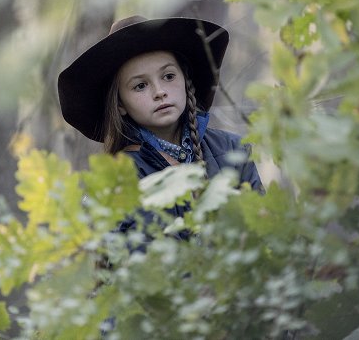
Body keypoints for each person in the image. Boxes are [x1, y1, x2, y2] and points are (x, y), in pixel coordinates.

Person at [57, 15, 263, 236]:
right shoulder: (113, 182)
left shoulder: (233, 151)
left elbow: (264, 232)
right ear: (120, 105)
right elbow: (104, 260)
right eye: (140, 85)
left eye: (168, 76)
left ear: (186, 81)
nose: (159, 92)